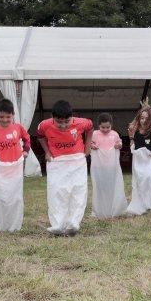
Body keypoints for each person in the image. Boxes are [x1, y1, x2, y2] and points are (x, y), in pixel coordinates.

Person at [37, 100, 93, 235]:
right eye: (59, 122)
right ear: (52, 117)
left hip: (77, 161)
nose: (63, 125)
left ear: (72, 117)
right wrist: (47, 152)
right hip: (57, 162)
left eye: (66, 122)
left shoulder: (81, 122)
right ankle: (57, 224)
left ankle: (74, 223)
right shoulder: (44, 125)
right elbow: (39, 135)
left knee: (77, 191)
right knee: (56, 192)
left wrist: (87, 146)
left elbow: (90, 127)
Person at [0, 98, 30, 232]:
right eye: (1, 117)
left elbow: (27, 139)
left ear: (13, 115)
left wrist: (25, 151)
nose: (5, 120)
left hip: (16, 167)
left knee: (15, 195)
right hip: (1, 168)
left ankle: (14, 222)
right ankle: (2, 220)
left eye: (8, 117)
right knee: (2, 195)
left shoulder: (18, 127)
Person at [126, 105, 151, 215]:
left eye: (146, 119)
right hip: (138, 158)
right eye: (142, 118)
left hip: (149, 158)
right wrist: (131, 138)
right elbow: (132, 142)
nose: (144, 121)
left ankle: (148, 202)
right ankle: (139, 203)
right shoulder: (134, 128)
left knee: (148, 179)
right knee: (138, 180)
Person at [89, 112, 128, 218]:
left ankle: (112, 207)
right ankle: (100, 208)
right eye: (103, 127)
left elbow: (120, 143)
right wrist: (92, 145)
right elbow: (89, 144)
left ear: (111, 125)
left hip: (111, 166)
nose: (105, 129)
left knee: (111, 186)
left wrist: (119, 145)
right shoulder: (95, 134)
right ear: (98, 125)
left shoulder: (114, 134)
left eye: (108, 127)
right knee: (100, 187)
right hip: (98, 167)